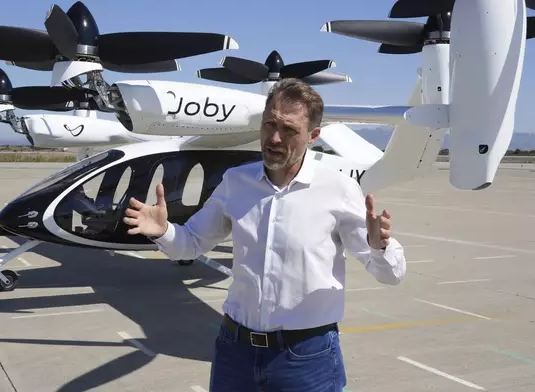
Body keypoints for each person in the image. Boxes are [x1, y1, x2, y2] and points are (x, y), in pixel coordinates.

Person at [123, 78, 407, 391]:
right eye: (269, 124)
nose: (273, 138)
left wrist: (381, 247)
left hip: (306, 356)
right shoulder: (236, 182)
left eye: (288, 130)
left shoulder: (338, 189)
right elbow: (190, 244)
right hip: (236, 351)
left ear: (312, 136)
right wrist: (164, 232)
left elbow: (391, 275)